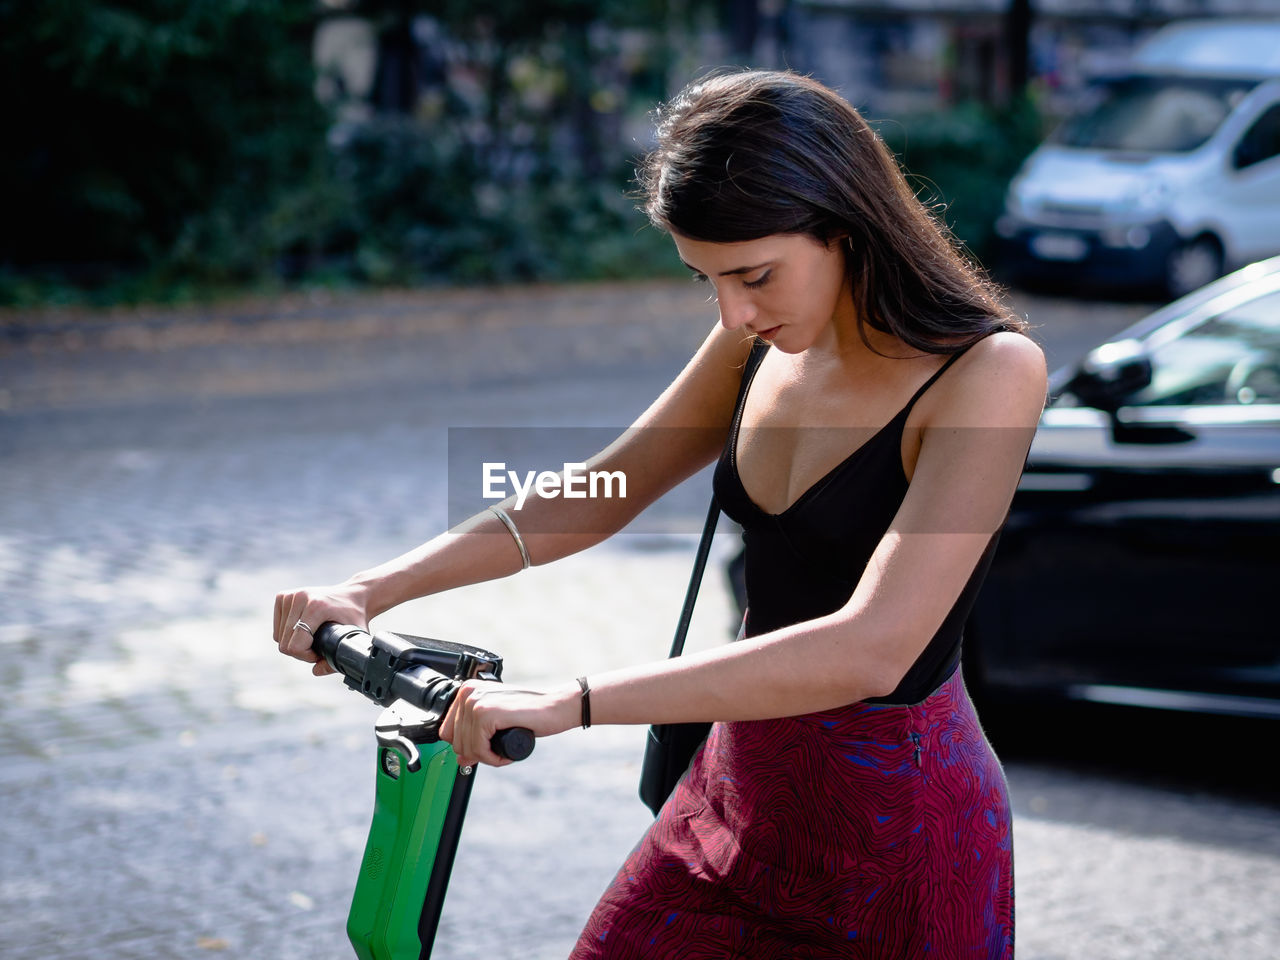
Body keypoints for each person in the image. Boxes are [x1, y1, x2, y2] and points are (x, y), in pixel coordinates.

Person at [274, 69, 1046, 958]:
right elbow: (600, 489)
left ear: (845, 227)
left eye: (755, 275)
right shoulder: (753, 339)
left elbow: (874, 645)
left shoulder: (988, 373)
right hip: (735, 790)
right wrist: (373, 588)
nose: (733, 310)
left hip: (898, 832)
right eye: (706, 280)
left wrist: (580, 700)